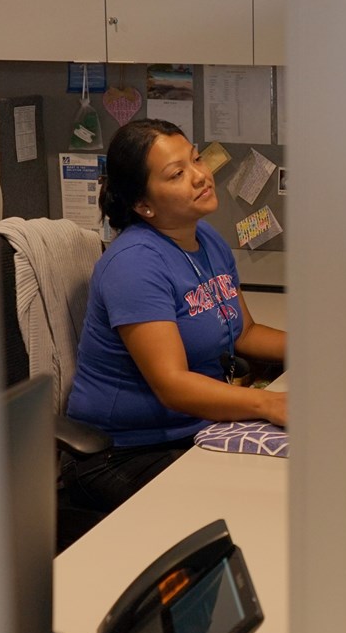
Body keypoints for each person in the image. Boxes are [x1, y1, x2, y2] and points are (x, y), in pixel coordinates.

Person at [66, 118, 287, 513]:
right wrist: (269, 405)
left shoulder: (207, 240)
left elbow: (244, 332)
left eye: (196, 159)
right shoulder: (134, 265)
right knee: (256, 506)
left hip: (195, 431)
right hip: (126, 454)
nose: (201, 176)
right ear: (143, 204)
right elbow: (173, 384)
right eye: (177, 174)